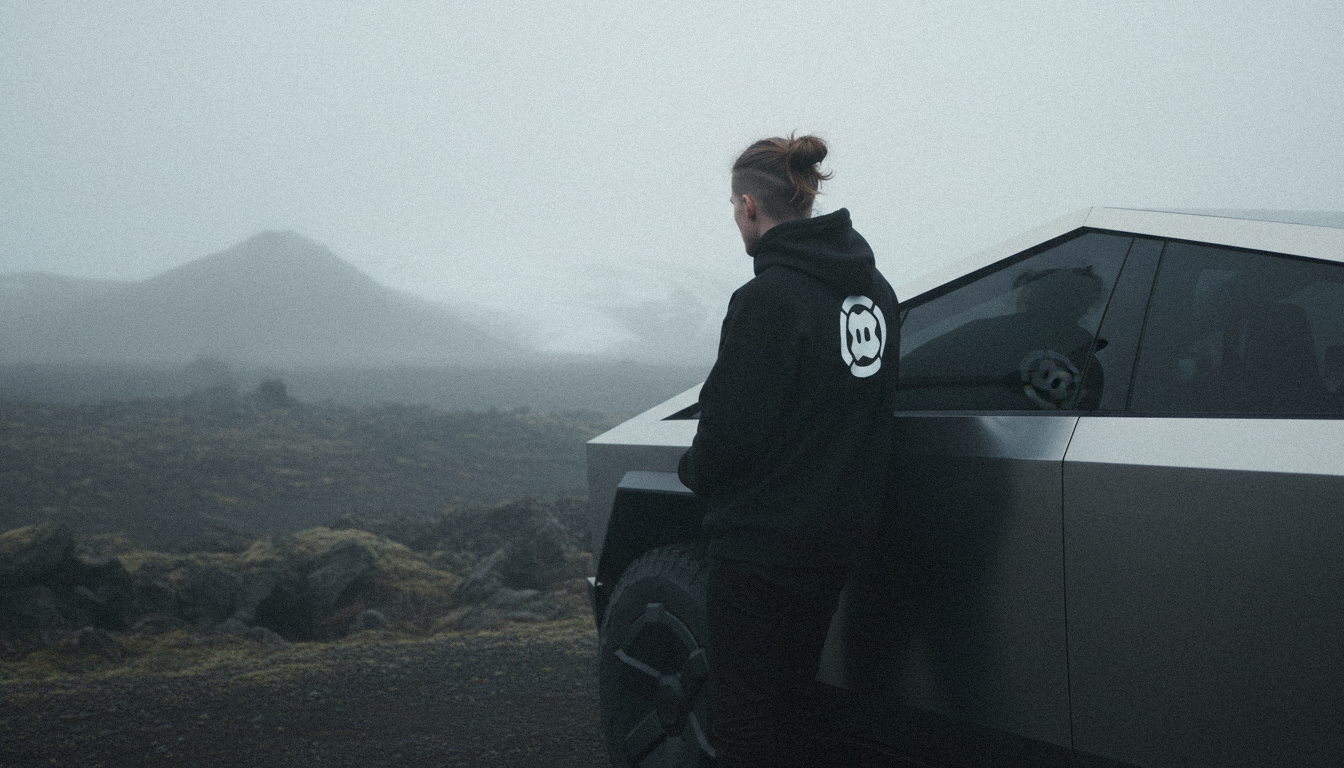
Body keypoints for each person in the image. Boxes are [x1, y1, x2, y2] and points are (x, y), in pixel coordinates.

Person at [677, 134, 900, 768]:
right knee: (799, 708)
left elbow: (728, 436)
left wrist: (694, 470)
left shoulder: (767, 300)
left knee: (748, 724)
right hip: (838, 541)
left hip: (762, 551)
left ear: (750, 205)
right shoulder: (875, 292)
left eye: (731, 205)